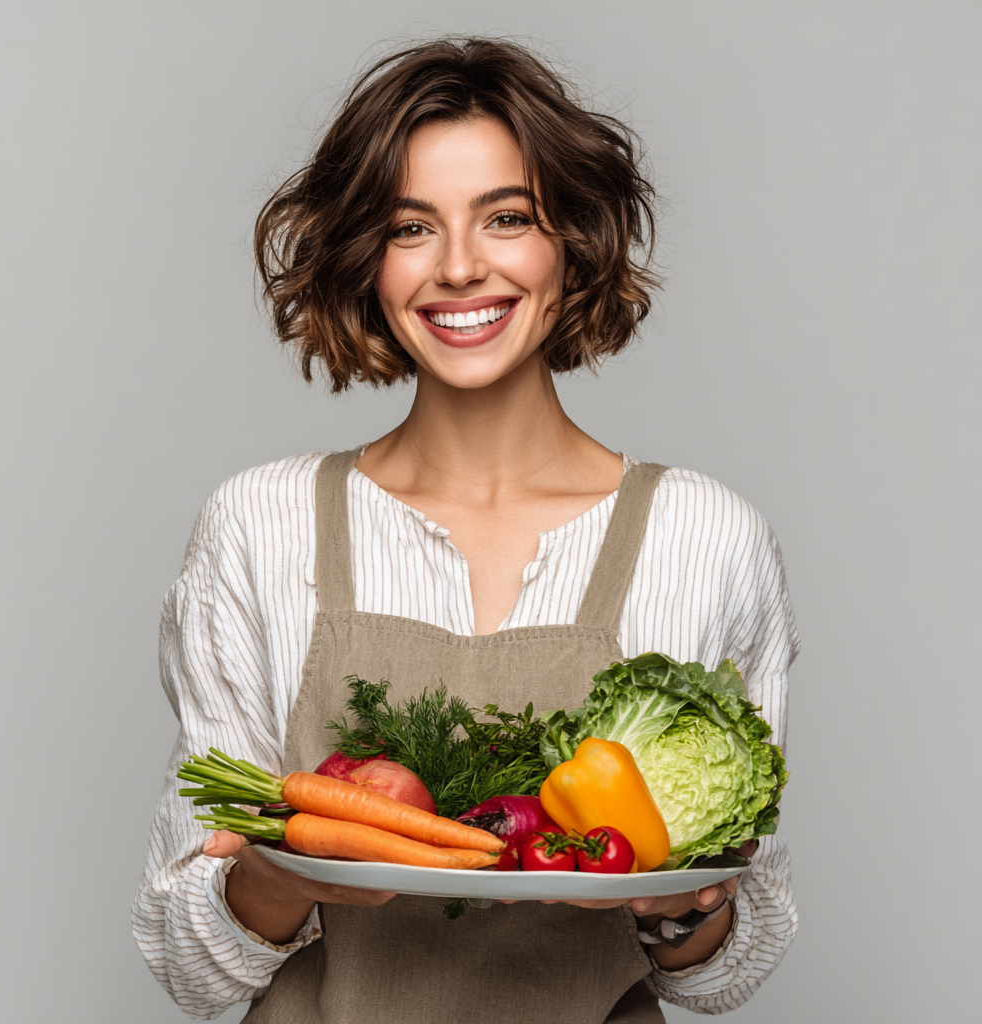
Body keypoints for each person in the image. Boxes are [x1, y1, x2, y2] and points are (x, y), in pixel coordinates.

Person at [132, 37, 799, 1023]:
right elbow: (192, 969)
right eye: (410, 227)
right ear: (367, 260)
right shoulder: (260, 525)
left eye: (506, 218)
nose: (457, 266)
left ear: (573, 242)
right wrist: (283, 873)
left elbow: (719, 972)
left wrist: (676, 908)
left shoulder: (704, 537)